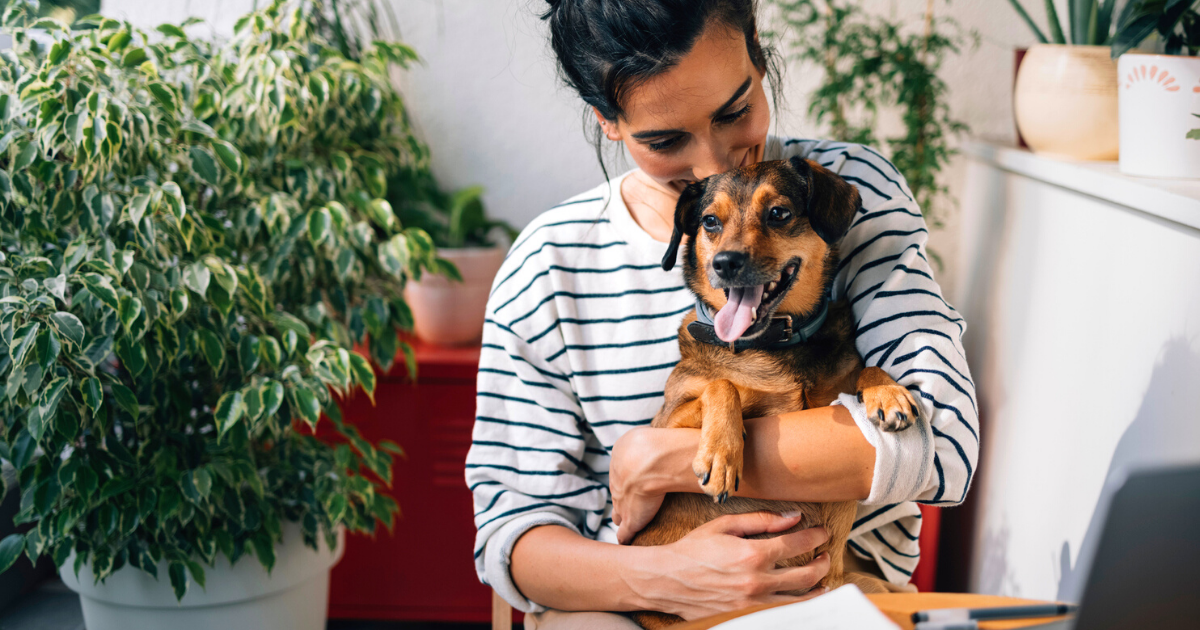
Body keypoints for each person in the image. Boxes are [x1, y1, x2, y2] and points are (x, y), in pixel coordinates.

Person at [465, 1, 978, 627]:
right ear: (607, 119)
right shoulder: (549, 264)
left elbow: (943, 440)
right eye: (664, 139)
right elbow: (512, 536)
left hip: (838, 589)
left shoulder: (846, 193)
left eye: (734, 110)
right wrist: (671, 578)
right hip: (633, 605)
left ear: (757, 52)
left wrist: (659, 459)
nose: (714, 166)